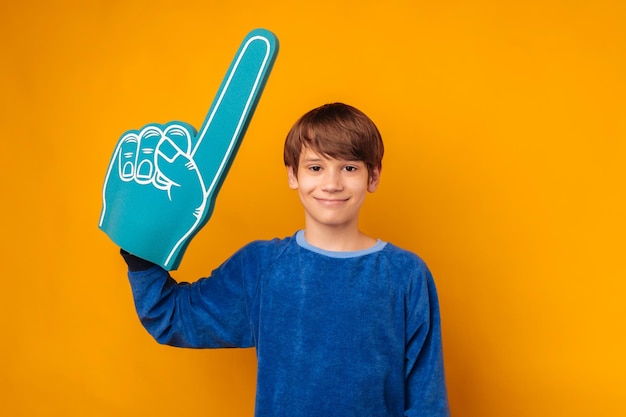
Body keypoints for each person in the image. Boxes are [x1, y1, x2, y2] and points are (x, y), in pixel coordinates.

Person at [120, 102, 450, 416]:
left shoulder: (406, 274)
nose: (332, 183)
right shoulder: (261, 267)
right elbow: (172, 316)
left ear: (373, 176)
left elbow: (427, 401)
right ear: (293, 175)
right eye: (316, 167)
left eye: (349, 168)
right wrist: (139, 236)